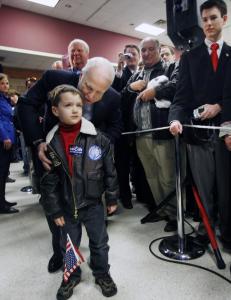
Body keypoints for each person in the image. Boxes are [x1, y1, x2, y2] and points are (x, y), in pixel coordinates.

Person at [17, 57, 122, 273]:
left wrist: (100, 149)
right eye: (87, 87)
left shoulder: (113, 98)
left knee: (93, 220)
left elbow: (115, 127)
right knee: (55, 207)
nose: (89, 96)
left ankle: (98, 263)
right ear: (81, 73)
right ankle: (62, 255)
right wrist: (38, 142)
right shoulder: (54, 78)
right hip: (52, 155)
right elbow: (26, 104)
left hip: (89, 166)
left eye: (98, 93)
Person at [40, 84, 118, 299]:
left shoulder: (98, 138)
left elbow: (110, 170)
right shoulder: (51, 142)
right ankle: (71, 276)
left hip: (93, 204)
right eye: (68, 105)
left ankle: (102, 273)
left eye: (78, 105)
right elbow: (49, 182)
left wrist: (111, 197)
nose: (75, 110)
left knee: (100, 243)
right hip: (66, 207)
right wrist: (54, 211)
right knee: (69, 246)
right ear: (55, 111)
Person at [169, 0, 231, 247]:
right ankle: (206, 228)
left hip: (226, 131)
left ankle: (227, 233)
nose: (208, 23)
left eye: (213, 18)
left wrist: (221, 107)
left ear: (224, 19)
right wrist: (174, 118)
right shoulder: (189, 58)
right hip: (197, 135)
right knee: (204, 188)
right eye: (204, 19)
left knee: (227, 188)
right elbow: (180, 98)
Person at [122, 37, 181, 231]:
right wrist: (131, 88)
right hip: (140, 134)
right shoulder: (136, 74)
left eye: (150, 50)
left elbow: (176, 88)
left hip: (161, 132)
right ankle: (162, 209)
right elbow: (122, 98)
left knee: (168, 176)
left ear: (158, 49)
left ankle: (175, 214)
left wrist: (154, 91)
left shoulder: (169, 68)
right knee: (152, 176)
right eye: (143, 50)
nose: (146, 54)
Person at [0, 73, 19, 214]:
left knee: (4, 172)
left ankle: (3, 200)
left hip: (8, 138)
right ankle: (1, 205)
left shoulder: (4, 99)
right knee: (1, 173)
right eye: (2, 83)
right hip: (3, 139)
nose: (6, 85)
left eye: (7, 83)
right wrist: (4, 136)